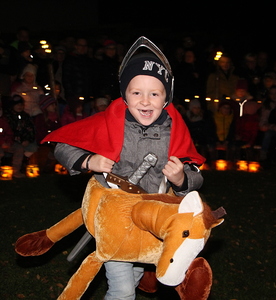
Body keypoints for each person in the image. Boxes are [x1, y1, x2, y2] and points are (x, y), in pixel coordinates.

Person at [41, 36, 205, 300]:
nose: (145, 100)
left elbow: (195, 174)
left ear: (166, 98)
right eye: (136, 92)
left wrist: (181, 178)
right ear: (125, 95)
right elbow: (63, 145)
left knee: (136, 276)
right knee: (123, 291)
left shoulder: (175, 129)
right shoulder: (109, 121)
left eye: (155, 93)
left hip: (150, 220)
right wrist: (88, 161)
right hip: (115, 218)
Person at [4, 95, 37, 177]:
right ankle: (15, 170)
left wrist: (27, 140)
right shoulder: (7, 117)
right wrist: (17, 141)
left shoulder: (26, 117)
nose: (19, 107)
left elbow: (31, 130)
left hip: (25, 141)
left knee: (34, 147)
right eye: (17, 105)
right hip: (11, 141)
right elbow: (9, 132)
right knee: (18, 149)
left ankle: (26, 164)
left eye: (21, 105)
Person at [62, 37, 94, 115]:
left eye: (85, 46)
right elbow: (66, 79)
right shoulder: (69, 60)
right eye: (81, 45)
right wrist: (71, 96)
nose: (83, 48)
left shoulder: (88, 61)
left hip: (87, 97)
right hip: (75, 97)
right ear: (76, 46)